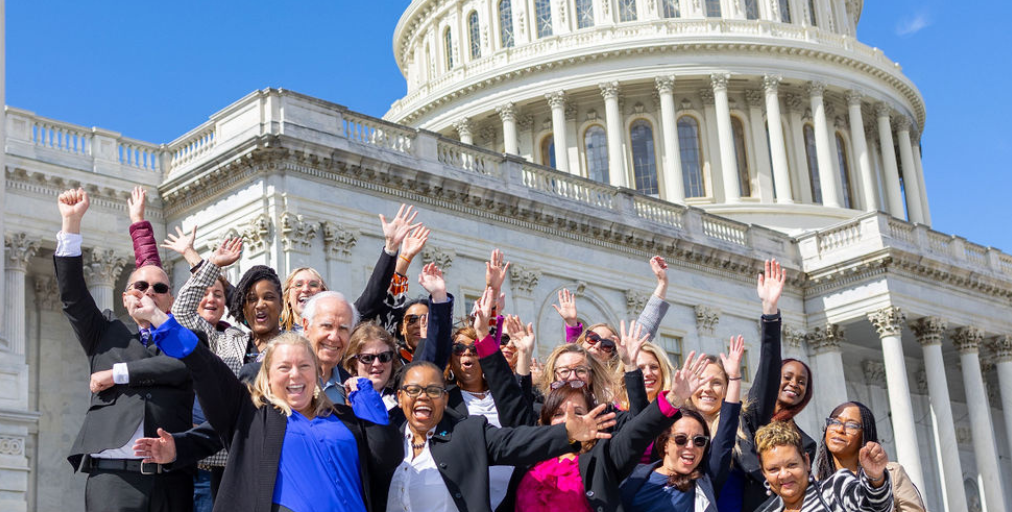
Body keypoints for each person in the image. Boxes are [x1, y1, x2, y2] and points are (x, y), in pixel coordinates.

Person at [134, 313, 403, 512]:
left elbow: (388, 458)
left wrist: (366, 396)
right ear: (268, 376)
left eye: (304, 366)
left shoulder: (344, 416)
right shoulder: (252, 416)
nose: (295, 374)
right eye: (284, 367)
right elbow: (206, 366)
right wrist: (160, 319)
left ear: (316, 373)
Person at [55, 188, 195, 512]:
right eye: (140, 286)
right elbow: (72, 295)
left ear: (170, 300)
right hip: (113, 481)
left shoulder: (183, 337)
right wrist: (71, 225)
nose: (149, 292)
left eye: (160, 288)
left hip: (172, 481)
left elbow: (181, 366)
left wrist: (117, 374)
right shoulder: (105, 332)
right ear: (125, 297)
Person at [382, 360, 617, 512]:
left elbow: (516, 442)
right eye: (413, 390)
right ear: (401, 396)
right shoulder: (384, 438)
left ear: (445, 399)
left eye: (433, 390)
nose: (423, 396)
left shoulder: (467, 433)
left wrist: (566, 433)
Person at [510, 351, 711, 512]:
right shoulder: (531, 453)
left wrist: (674, 399)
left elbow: (637, 431)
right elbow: (511, 406)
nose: (569, 420)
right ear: (546, 420)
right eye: (559, 413)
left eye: (578, 412)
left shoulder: (602, 457)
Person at [721, 259, 809, 512]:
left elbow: (769, 376)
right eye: (703, 382)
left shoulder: (745, 420)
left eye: (718, 381)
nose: (709, 389)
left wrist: (770, 314)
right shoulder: (688, 430)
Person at [619, 336, 744, 511]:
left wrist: (735, 378)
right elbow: (640, 426)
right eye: (680, 439)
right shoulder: (634, 479)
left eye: (699, 441)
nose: (690, 446)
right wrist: (631, 366)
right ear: (664, 443)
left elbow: (726, 433)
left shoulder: (703, 483)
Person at [755, 421, 893, 512]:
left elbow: (874, 507)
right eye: (774, 469)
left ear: (806, 462)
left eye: (792, 465)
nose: (784, 474)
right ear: (764, 473)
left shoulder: (836, 489)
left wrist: (875, 478)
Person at [815, 402, 926, 512]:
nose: (839, 429)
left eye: (851, 425)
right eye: (834, 422)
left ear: (865, 435)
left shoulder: (892, 474)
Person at [301, 291, 361, 404]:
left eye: (343, 328)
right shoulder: (281, 377)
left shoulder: (352, 389)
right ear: (306, 327)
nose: (334, 337)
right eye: (327, 326)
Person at [343, 321, 403, 409]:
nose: (377, 364)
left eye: (384, 356)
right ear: (354, 363)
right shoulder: (341, 398)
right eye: (368, 358)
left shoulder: (404, 399)